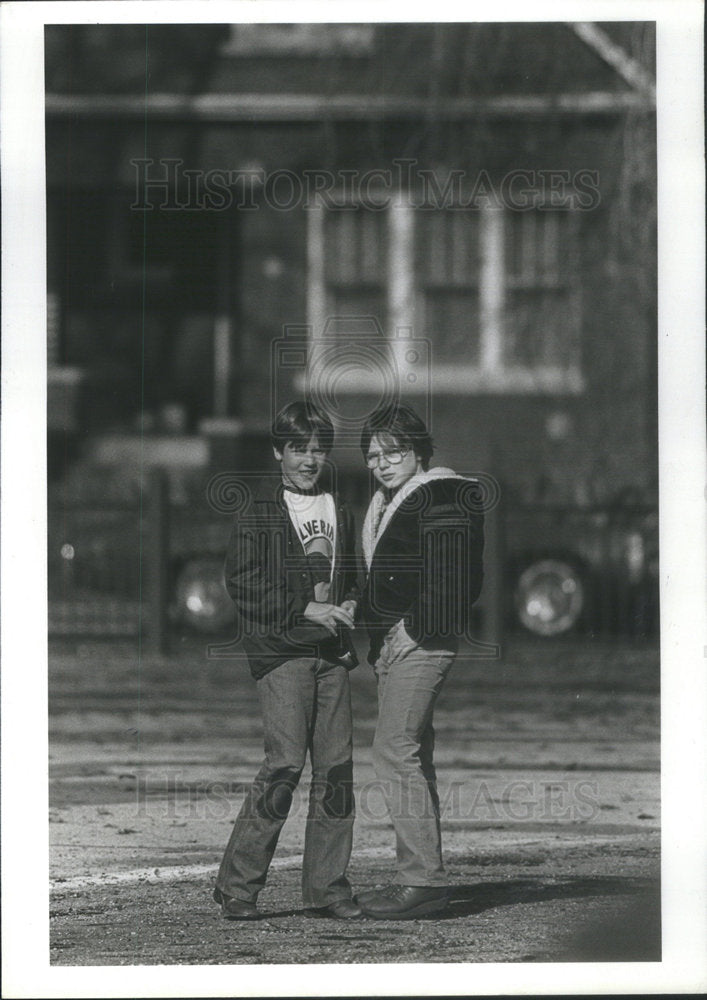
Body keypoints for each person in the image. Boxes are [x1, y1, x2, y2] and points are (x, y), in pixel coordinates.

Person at [213, 401, 362, 920]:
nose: (309, 459)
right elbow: (242, 580)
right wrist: (304, 607)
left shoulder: (337, 506)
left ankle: (328, 889)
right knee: (283, 766)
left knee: (337, 771)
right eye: (298, 448)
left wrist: (349, 603)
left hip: (332, 656)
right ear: (278, 451)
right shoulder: (259, 510)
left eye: (318, 449)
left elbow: (353, 576)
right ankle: (238, 888)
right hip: (283, 655)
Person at [356, 404, 485, 919]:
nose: (382, 463)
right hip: (396, 641)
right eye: (373, 455)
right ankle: (420, 877)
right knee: (410, 754)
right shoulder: (391, 500)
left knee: (393, 752)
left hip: (419, 642)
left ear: (418, 451)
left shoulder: (441, 493)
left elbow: (456, 577)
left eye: (394, 452)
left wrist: (416, 629)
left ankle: (423, 882)